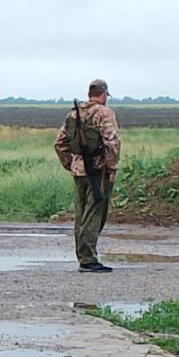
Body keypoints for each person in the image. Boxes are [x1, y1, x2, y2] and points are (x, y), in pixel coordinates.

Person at [54, 78, 120, 272]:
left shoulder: (74, 113)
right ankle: (88, 259)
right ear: (104, 94)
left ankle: (83, 255)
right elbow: (112, 142)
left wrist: (70, 163)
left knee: (81, 214)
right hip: (98, 171)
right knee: (95, 213)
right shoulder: (104, 113)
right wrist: (111, 167)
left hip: (79, 170)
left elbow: (60, 143)